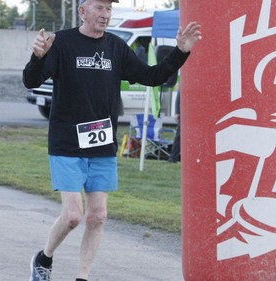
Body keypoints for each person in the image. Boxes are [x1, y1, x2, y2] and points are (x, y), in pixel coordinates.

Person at [22, 0, 202, 280]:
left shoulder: (116, 47)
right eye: (99, 8)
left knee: (98, 215)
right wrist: (38, 57)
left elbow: (152, 77)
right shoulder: (62, 42)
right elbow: (30, 81)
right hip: (67, 143)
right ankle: (44, 259)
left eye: (109, 9)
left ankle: (82, 276)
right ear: (83, 11)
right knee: (72, 216)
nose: (105, 15)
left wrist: (180, 52)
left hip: (101, 145)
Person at [168, 90, 181, 163]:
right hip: (184, 113)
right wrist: (176, 112)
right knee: (179, 136)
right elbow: (178, 98)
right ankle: (173, 158)